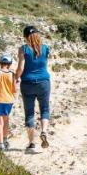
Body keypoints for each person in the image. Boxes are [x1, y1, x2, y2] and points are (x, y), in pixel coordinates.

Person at [16, 26, 53, 154]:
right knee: (45, 109)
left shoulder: (23, 49)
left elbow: (20, 68)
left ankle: (32, 143)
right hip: (44, 81)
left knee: (29, 113)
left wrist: (16, 78)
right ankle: (44, 131)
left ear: (25, 37)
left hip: (27, 83)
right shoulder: (45, 48)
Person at [0, 55, 17, 150]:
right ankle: (5, 140)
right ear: (9, 64)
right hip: (8, 100)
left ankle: (1, 144)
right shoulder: (12, 74)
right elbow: (14, 90)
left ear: (0, 63)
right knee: (6, 120)